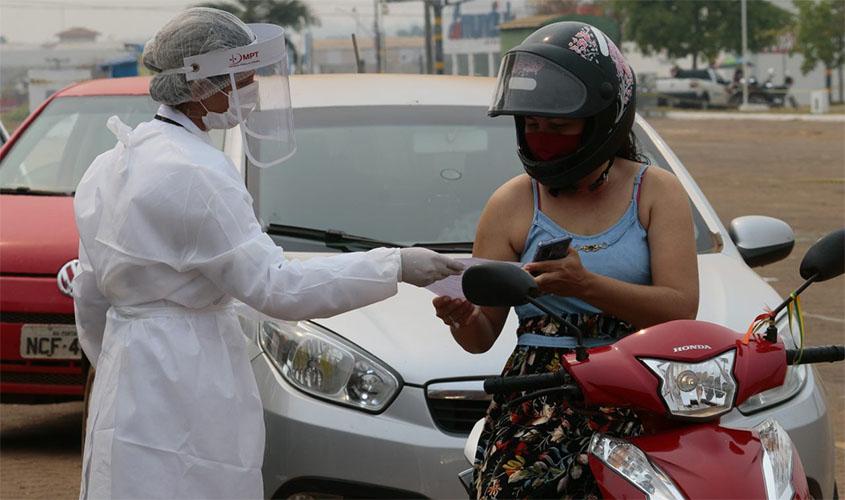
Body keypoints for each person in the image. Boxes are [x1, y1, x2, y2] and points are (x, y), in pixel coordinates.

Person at [72, 8, 462, 500]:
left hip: (125, 377)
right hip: (189, 375)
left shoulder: (109, 165)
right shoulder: (199, 172)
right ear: (199, 87)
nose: (251, 92)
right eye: (244, 79)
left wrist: (123, 359)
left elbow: (89, 299)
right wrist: (396, 264)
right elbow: (275, 287)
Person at [432, 22, 699, 499]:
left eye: (558, 126)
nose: (542, 138)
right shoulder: (511, 203)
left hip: (639, 386)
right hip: (539, 400)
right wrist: (462, 317)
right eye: (532, 125)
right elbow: (481, 336)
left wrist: (585, 286)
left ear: (601, 123)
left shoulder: (656, 191)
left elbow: (680, 309)